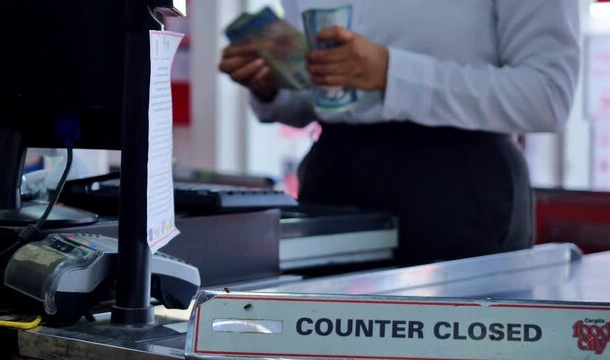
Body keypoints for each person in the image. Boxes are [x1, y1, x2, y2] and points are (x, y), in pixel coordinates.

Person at [219, 0, 580, 265]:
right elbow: (312, 100)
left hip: (463, 187)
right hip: (332, 178)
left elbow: (548, 95)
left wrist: (392, 73)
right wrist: (272, 86)